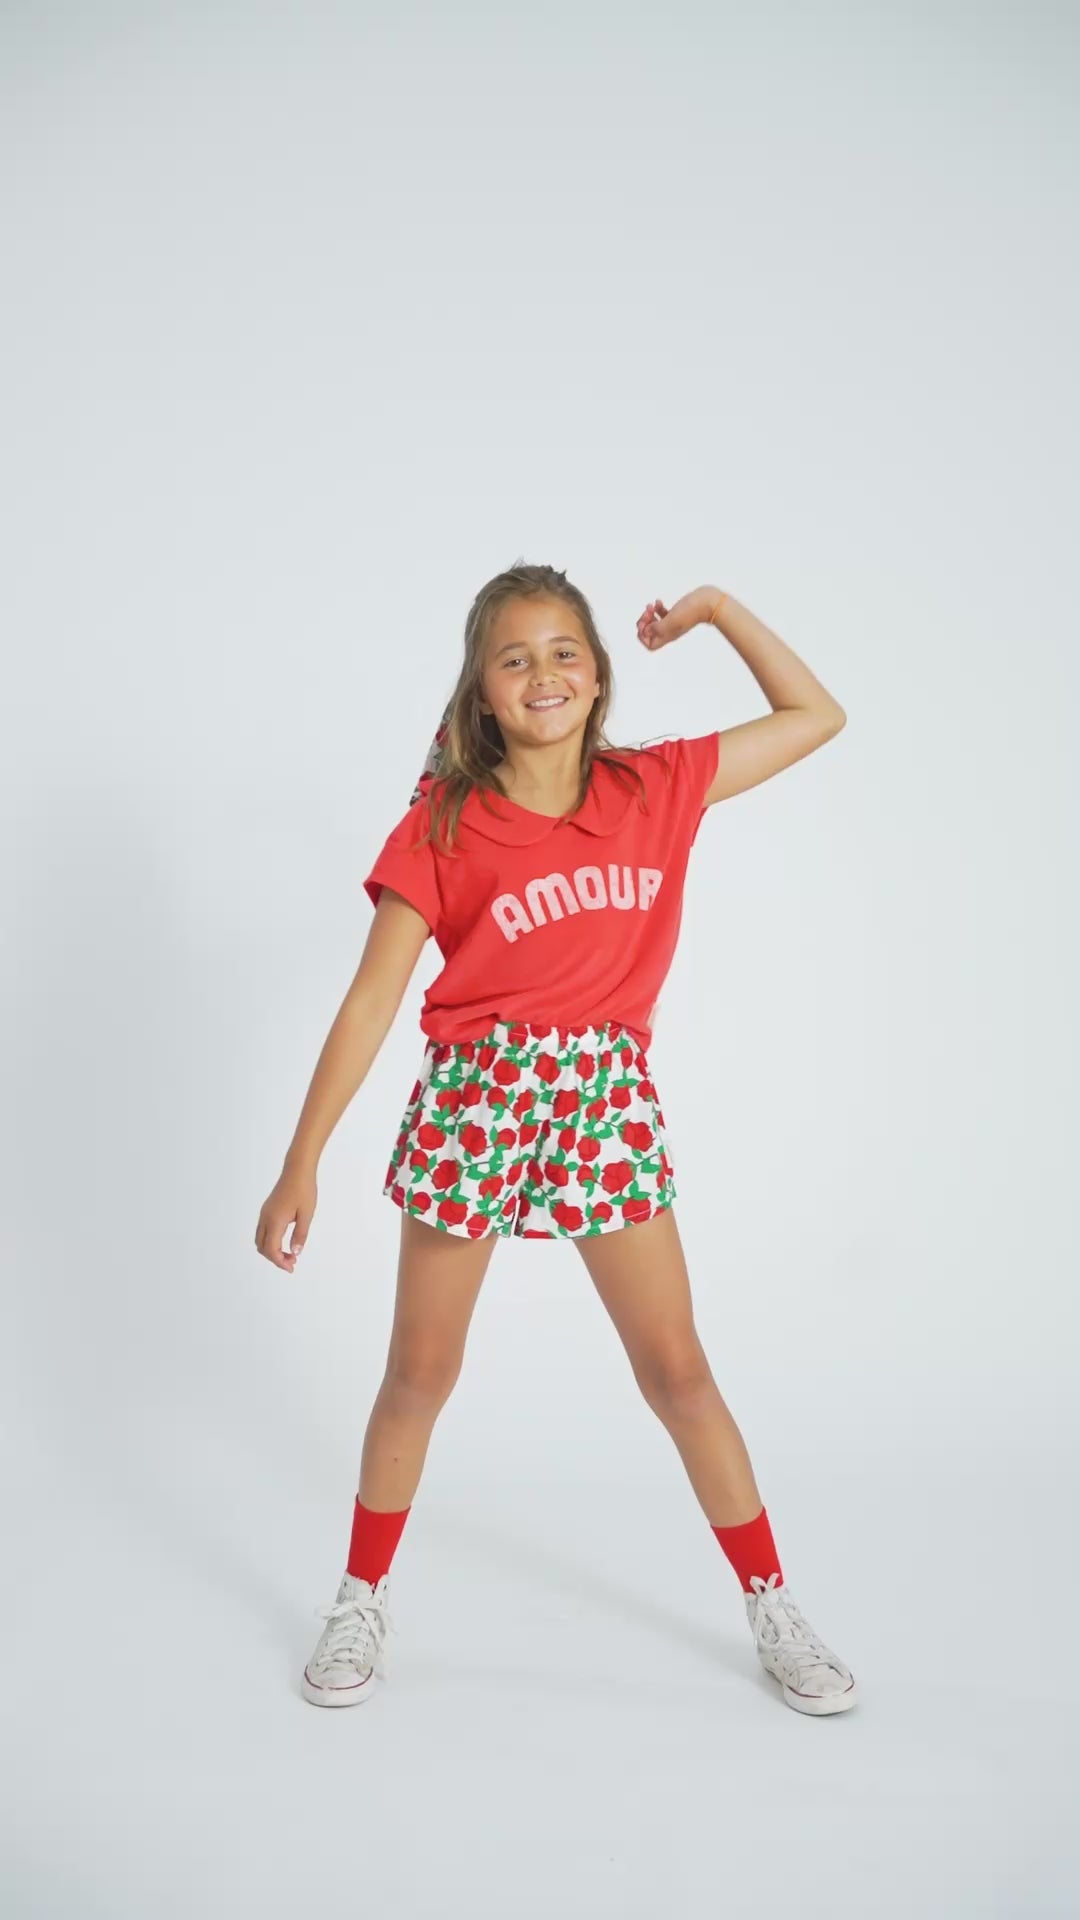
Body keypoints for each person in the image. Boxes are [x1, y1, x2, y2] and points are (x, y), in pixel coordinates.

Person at [255, 562, 858, 1717]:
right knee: (420, 1371)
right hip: (475, 1102)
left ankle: (772, 1601)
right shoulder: (443, 823)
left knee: (677, 1371)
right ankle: (360, 1596)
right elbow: (372, 1000)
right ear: (481, 690)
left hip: (601, 1103)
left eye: (564, 651)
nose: (544, 673)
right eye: (515, 656)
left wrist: (717, 611)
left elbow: (815, 715)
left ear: (600, 675)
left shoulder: (654, 786)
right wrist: (302, 1160)